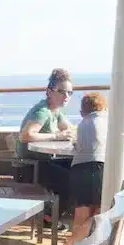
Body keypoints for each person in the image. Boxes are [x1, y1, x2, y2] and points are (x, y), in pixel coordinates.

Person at [17, 68, 76, 217]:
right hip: (29, 168)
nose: (66, 96)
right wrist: (57, 135)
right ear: (49, 92)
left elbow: (70, 129)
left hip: (42, 163)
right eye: (62, 91)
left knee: (78, 168)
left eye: (70, 92)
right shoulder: (43, 111)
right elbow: (26, 135)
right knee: (72, 179)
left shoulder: (55, 111)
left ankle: (55, 214)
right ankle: (49, 216)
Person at [64, 93, 108, 245]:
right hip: (97, 167)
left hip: (78, 168)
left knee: (81, 212)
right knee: (103, 211)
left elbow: (79, 146)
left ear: (83, 111)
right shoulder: (107, 121)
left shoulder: (83, 124)